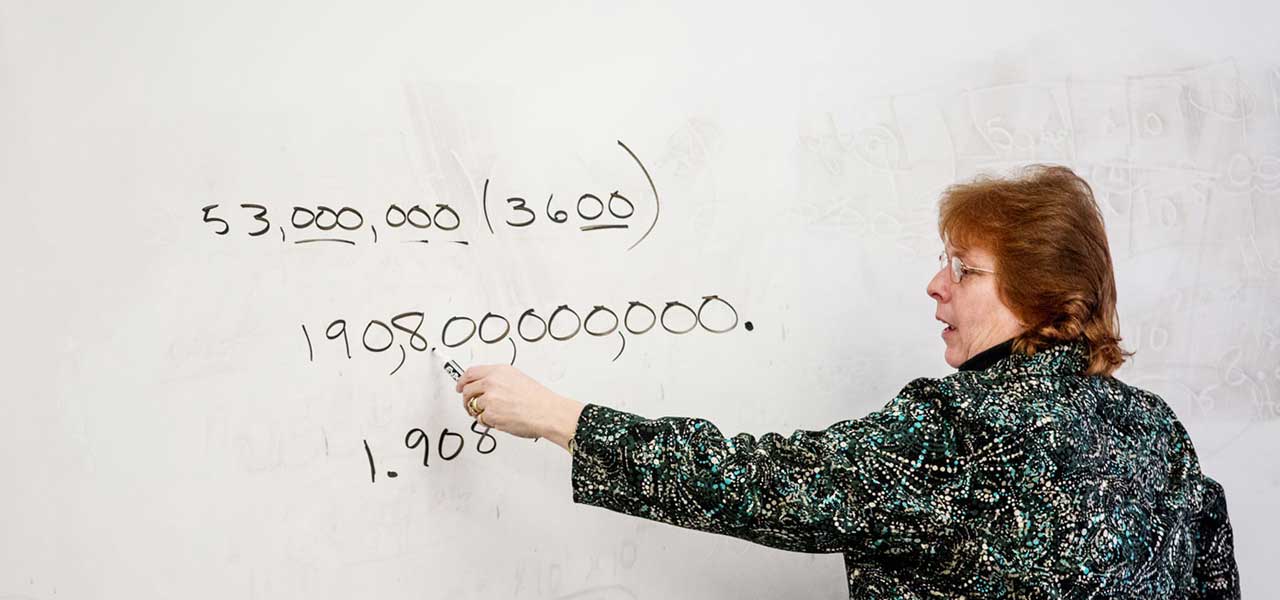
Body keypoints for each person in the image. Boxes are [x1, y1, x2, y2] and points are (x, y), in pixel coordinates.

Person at [453, 165, 1241, 598]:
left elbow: (759, 484)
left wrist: (562, 418)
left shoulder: (965, 431)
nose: (935, 286)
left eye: (962, 270)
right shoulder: (1153, 425)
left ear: (1036, 296)